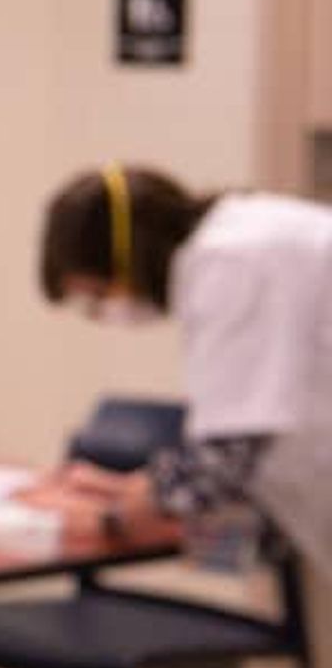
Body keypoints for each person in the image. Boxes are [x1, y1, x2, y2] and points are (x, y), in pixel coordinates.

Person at [28, 163, 332, 575]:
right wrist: (138, 491)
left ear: (124, 258)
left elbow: (227, 457)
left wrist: (118, 516)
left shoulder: (233, 262)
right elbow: (245, 471)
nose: (103, 314)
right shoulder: (247, 239)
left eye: (99, 296)